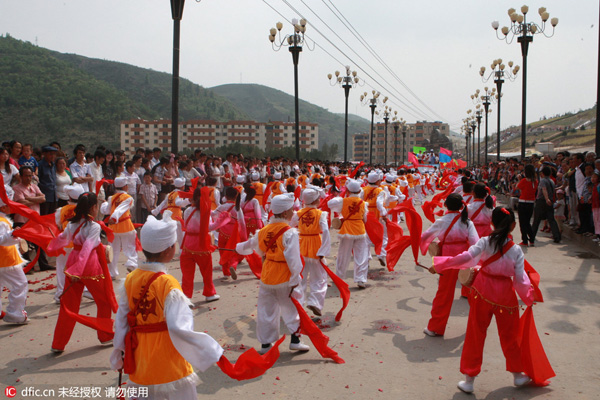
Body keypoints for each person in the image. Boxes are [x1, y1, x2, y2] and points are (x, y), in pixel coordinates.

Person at [109, 211, 224, 399]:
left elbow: (122, 322)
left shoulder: (130, 279)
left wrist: (119, 352)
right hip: (168, 360)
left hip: (141, 360)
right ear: (169, 250)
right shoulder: (168, 284)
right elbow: (179, 328)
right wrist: (210, 349)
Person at [431, 208, 535, 393]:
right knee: (510, 336)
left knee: (475, 334)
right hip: (505, 296)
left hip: (482, 292)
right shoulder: (516, 250)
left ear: (492, 223)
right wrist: (528, 297)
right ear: (513, 225)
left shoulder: (485, 242)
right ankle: (518, 374)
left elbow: (467, 258)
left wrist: (441, 262)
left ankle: (469, 379)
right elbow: (520, 280)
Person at [235, 193, 310, 354]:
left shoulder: (263, 230)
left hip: (267, 276)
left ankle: (265, 345)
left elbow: (247, 245)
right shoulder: (290, 233)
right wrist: (295, 280)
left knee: (266, 310)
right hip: (285, 276)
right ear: (284, 213)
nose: (293, 213)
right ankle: (295, 340)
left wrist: (237, 248)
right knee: (292, 309)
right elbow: (293, 260)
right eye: (291, 210)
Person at [47, 192, 117, 353]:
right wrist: (79, 270)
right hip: (89, 266)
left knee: (68, 306)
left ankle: (58, 343)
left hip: (72, 264)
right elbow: (87, 248)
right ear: (93, 207)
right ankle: (105, 335)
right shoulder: (94, 226)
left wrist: (50, 245)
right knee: (104, 301)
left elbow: (62, 240)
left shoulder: (71, 225)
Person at [420, 193, 479, 337]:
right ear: (461, 206)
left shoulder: (441, 221)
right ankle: (477, 326)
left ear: (445, 205)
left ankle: (435, 328)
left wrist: (422, 245)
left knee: (444, 294)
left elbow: (425, 237)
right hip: (464, 259)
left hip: (446, 259)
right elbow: (475, 243)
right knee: (473, 293)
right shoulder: (467, 222)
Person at [290, 188, 331, 316]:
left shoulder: (298, 213)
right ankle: (315, 302)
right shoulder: (320, 214)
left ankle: (299, 304)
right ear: (315, 200)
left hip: (301, 246)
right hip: (315, 246)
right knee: (319, 277)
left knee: (300, 277)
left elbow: (290, 226)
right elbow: (326, 231)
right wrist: (323, 249)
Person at [328, 179, 369, 288]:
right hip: (360, 229)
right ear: (360, 190)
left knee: (343, 254)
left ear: (347, 190)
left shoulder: (342, 201)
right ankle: (360, 279)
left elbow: (330, 204)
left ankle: (339, 277)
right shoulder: (363, 203)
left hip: (347, 229)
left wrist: (342, 194)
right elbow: (365, 219)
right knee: (361, 255)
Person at [181, 188, 219, 302]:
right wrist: (221, 221)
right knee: (206, 271)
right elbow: (209, 227)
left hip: (188, 244)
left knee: (187, 274)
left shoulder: (187, 210)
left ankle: (186, 297)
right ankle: (209, 293)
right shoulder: (204, 211)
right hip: (202, 244)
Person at [0, 187, 29, 324]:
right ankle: (15, 314)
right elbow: (1, 239)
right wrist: (13, 235)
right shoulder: (1, 221)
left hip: (5, 259)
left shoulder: (3, 220)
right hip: (6, 259)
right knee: (20, 284)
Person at [100, 177, 138, 277]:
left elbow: (106, 211)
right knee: (130, 246)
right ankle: (131, 263)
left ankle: (112, 272)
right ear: (125, 186)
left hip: (113, 228)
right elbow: (121, 209)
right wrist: (114, 216)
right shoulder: (128, 198)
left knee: (113, 250)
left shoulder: (112, 198)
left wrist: (104, 204)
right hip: (126, 226)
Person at [53, 185, 84, 303]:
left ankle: (61, 294)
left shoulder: (60, 210)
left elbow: (58, 225)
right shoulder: (83, 210)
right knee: (79, 269)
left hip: (63, 244)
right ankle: (80, 292)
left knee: (61, 268)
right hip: (78, 244)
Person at [531, 166, 561, 244]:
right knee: (551, 219)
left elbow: (544, 189)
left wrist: (546, 198)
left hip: (542, 201)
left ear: (542, 173)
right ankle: (557, 236)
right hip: (550, 201)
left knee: (536, 220)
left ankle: (532, 236)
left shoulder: (543, 181)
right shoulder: (551, 181)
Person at [516, 165, 538, 247]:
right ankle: (531, 239)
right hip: (531, 203)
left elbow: (517, 187)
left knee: (522, 222)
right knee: (527, 222)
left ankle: (525, 240)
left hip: (523, 202)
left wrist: (519, 180)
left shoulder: (524, 180)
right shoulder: (535, 181)